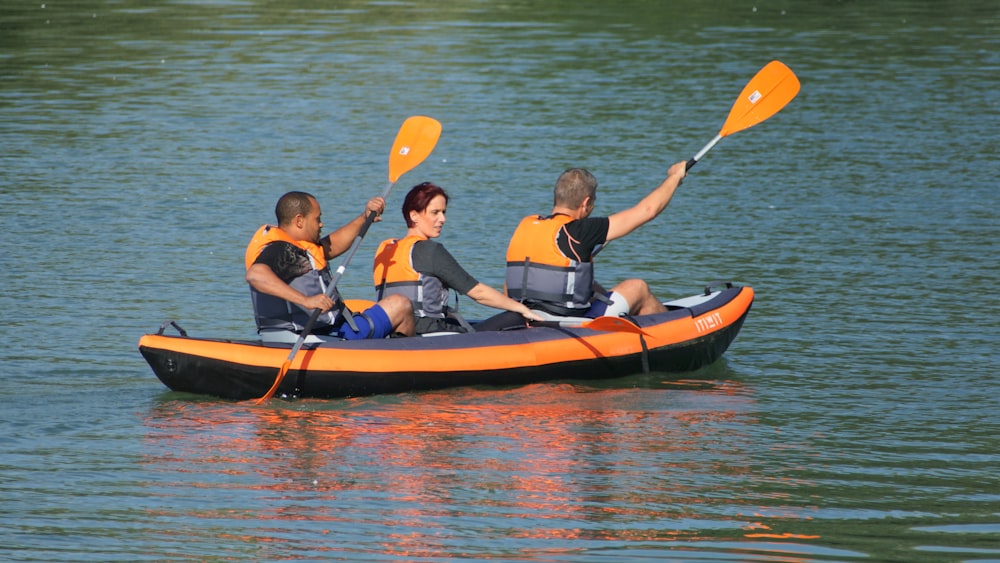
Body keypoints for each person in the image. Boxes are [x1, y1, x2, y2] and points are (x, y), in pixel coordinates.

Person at [504, 161, 688, 318]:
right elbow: (647, 211)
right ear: (586, 202)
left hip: (523, 315)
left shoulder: (526, 225)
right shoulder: (581, 230)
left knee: (592, 287)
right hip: (564, 321)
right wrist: (674, 178)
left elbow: (512, 284)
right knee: (637, 288)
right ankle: (674, 334)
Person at [372, 182, 543, 335]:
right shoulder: (430, 250)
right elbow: (478, 293)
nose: (443, 219)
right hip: (427, 332)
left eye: (444, 212)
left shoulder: (386, 249)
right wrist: (523, 309)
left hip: (393, 330)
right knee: (515, 317)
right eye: (435, 212)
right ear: (414, 215)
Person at [245, 191, 414, 343]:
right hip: (322, 336)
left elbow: (332, 245)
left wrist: (365, 217)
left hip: (317, 331)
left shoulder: (298, 248)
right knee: (401, 305)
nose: (321, 224)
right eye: (317, 219)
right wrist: (307, 301)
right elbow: (256, 275)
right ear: (299, 221)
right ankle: (404, 367)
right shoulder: (281, 250)